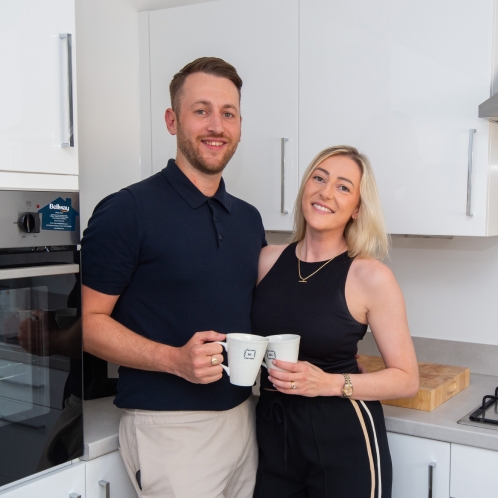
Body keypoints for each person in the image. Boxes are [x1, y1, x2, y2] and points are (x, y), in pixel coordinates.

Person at [81, 57, 266, 498]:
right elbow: (88, 325)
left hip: (244, 419)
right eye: (201, 110)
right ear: (172, 120)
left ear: (240, 125)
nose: (216, 125)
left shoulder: (248, 219)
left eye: (228, 113)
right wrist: (173, 360)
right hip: (170, 430)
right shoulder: (127, 211)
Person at [251, 145, 419, 498]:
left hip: (342, 434)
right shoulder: (266, 261)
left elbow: (406, 380)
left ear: (357, 208)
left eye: (343, 187)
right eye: (319, 178)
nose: (326, 192)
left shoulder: (370, 276)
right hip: (272, 433)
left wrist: (327, 382)